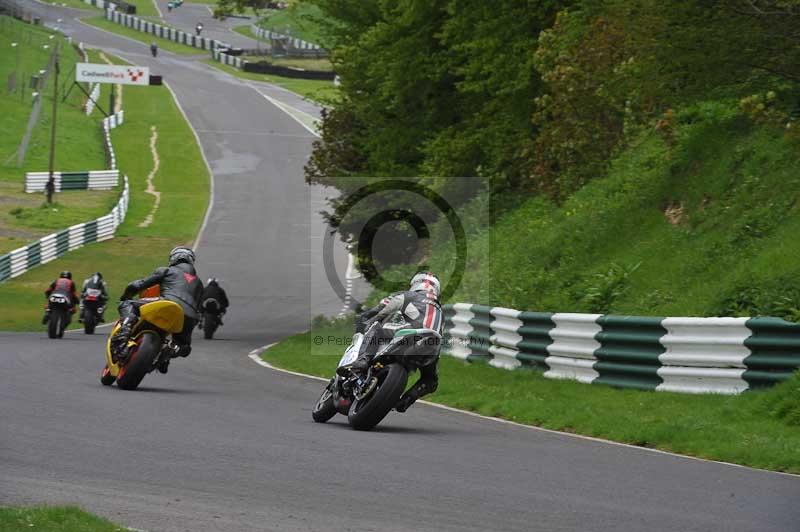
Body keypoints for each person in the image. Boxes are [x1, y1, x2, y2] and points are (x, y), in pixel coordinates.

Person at [337, 271, 443, 412]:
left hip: (411, 334)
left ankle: (363, 360)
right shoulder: (440, 309)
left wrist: (367, 320)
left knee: (376, 328)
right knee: (431, 380)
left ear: (415, 284)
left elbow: (383, 312)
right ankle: (407, 399)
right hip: (431, 346)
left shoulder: (409, 295)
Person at [110, 246, 203, 374]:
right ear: (191, 261)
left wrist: (126, 296)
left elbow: (138, 285)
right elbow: (200, 309)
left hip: (167, 303)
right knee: (184, 347)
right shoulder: (199, 283)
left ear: (174, 258)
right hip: (189, 317)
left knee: (128, 304)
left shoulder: (166, 270)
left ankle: (122, 336)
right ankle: (166, 355)